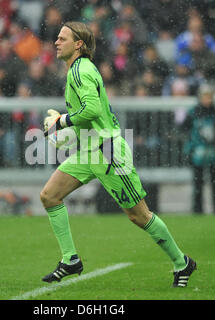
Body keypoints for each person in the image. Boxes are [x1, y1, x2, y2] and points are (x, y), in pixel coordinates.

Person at [39, 21, 197, 287]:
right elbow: (89, 115)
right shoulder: (77, 70)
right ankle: (70, 259)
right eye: (57, 37)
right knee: (49, 196)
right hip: (90, 149)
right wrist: (65, 126)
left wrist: (62, 122)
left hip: (107, 150)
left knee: (139, 216)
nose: (56, 42)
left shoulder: (80, 71)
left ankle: (183, 263)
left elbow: (92, 111)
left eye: (62, 38)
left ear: (79, 44)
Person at [181, 84, 215, 214]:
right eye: (205, 96)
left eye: (209, 96)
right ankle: (197, 209)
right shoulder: (194, 112)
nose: (208, 100)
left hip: (213, 152)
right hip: (197, 152)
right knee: (198, 183)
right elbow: (183, 128)